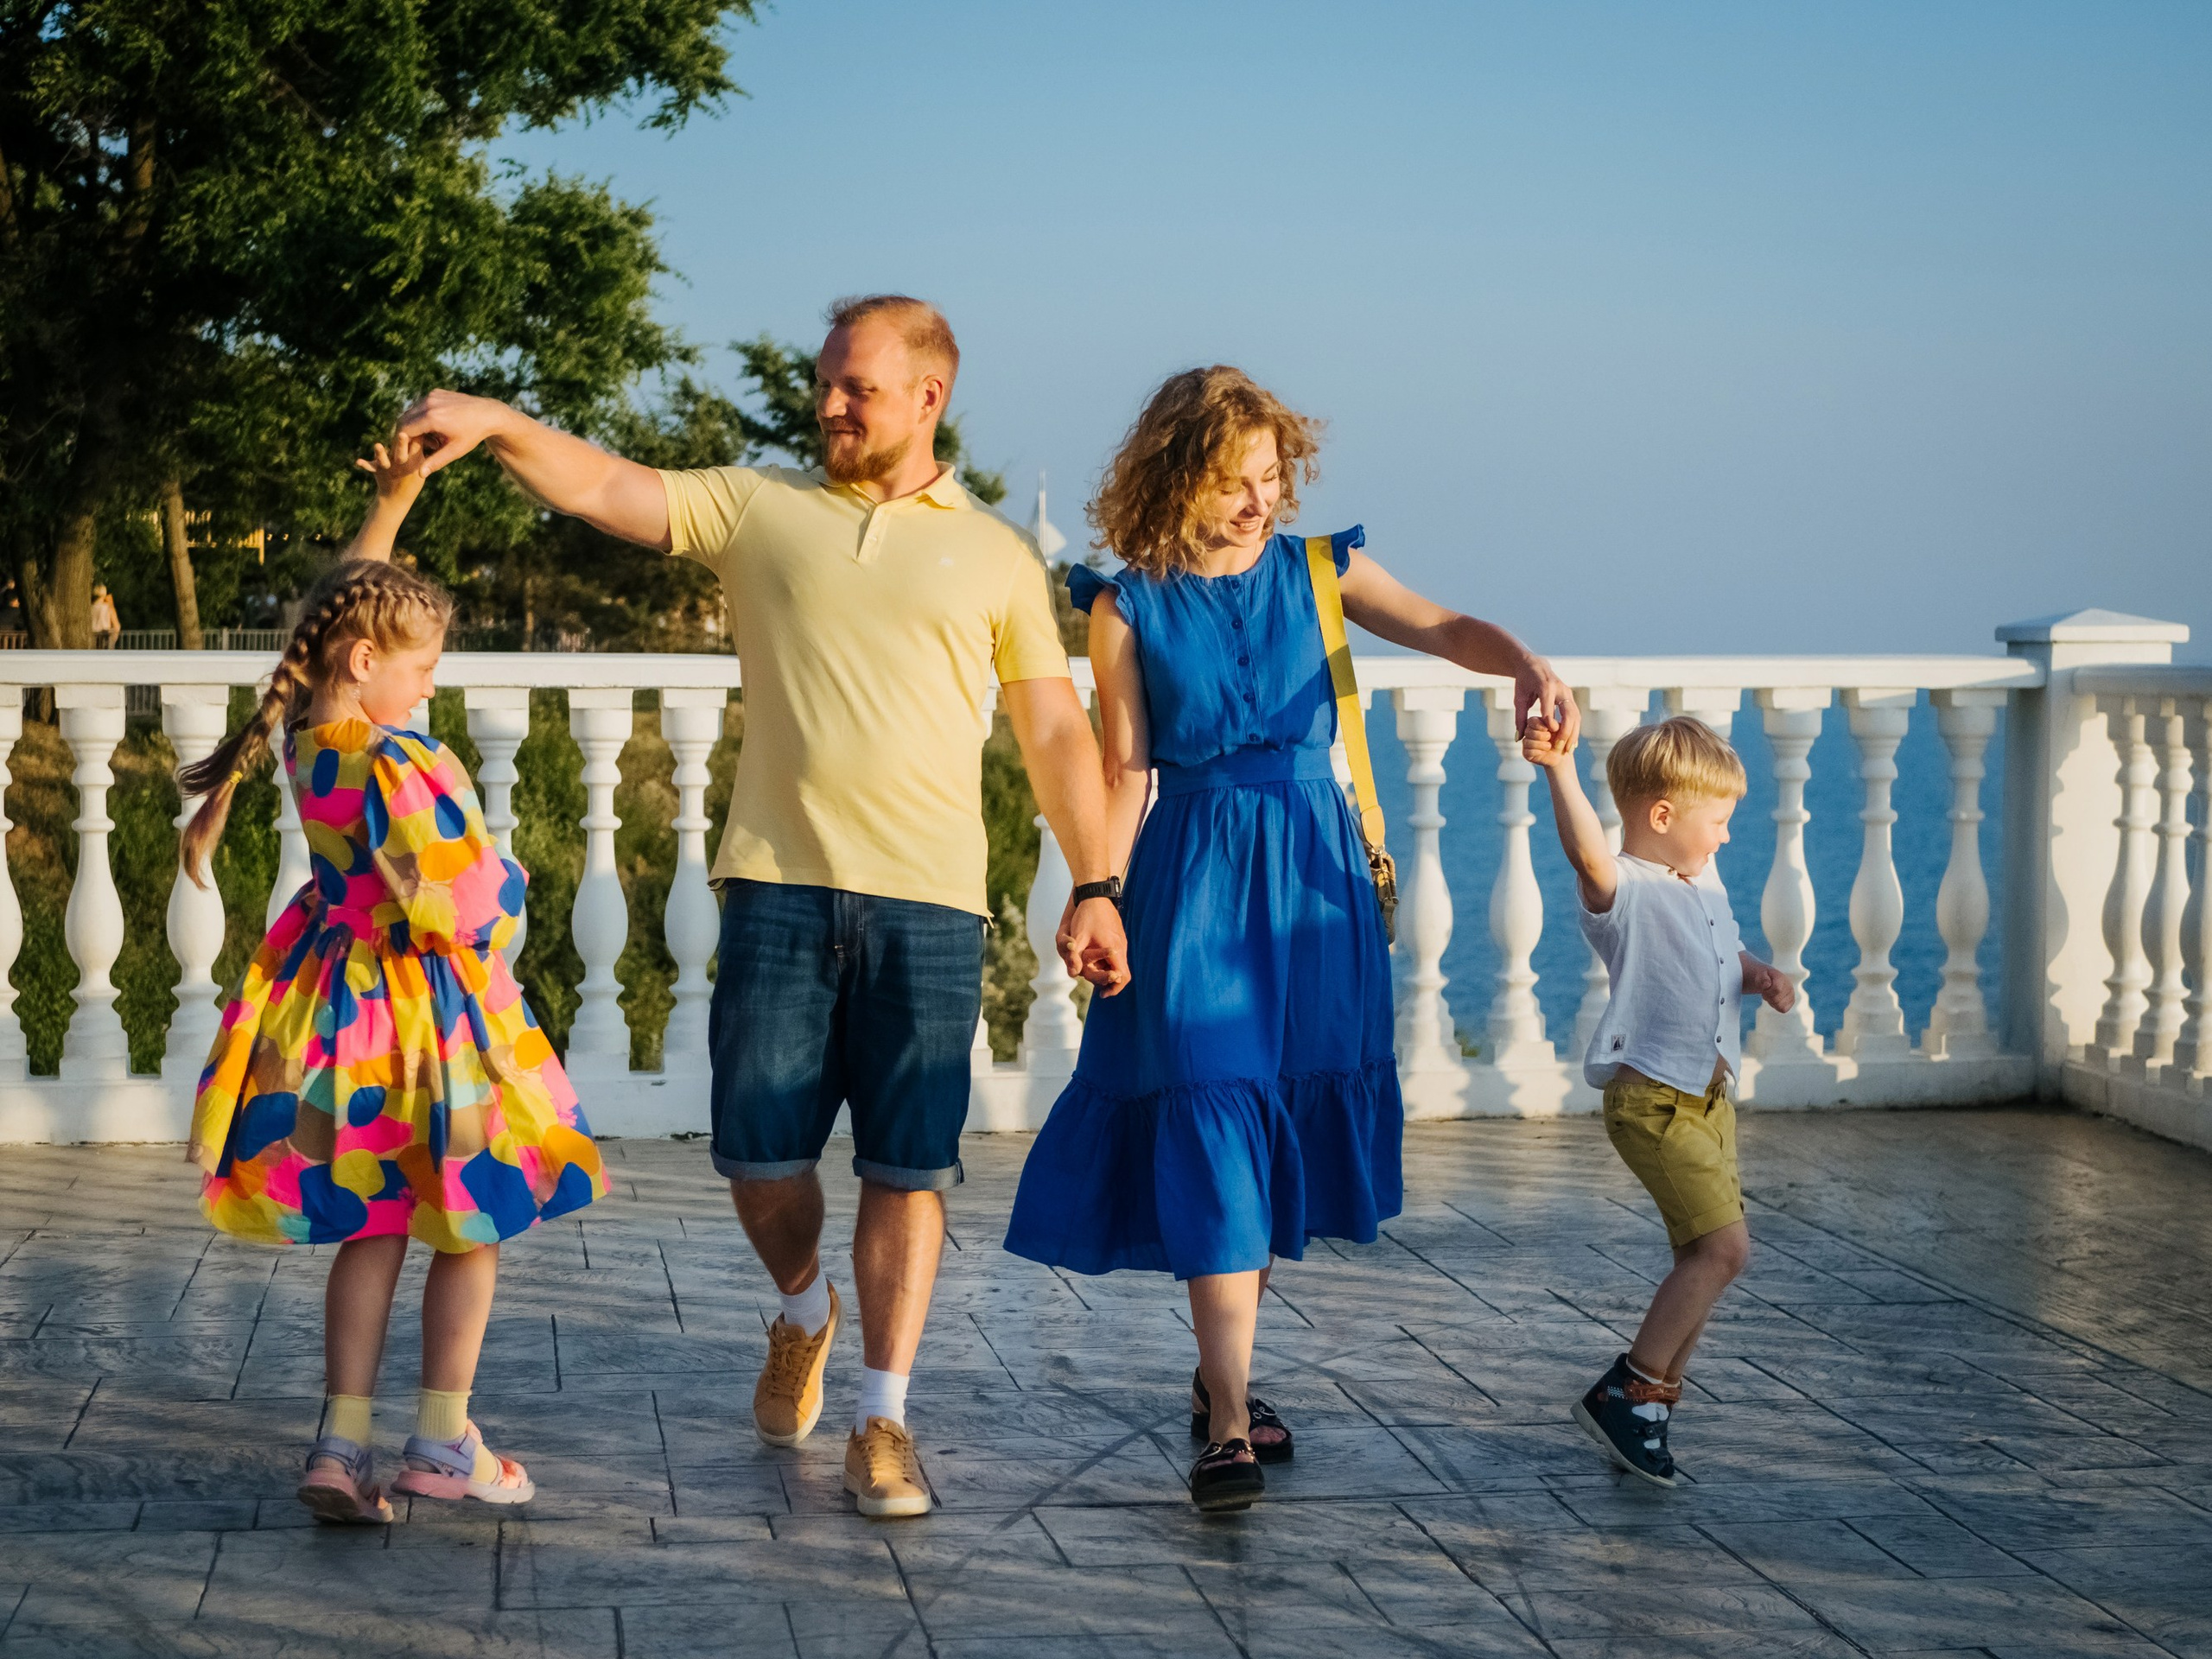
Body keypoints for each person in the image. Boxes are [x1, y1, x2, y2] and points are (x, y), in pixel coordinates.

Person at [391, 295, 1128, 1520]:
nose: (831, 405)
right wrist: (496, 420)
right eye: (826, 382)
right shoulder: (760, 509)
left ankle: (883, 1416)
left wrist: (1096, 881)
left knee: (910, 1169)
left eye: (859, 388)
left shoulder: (996, 556)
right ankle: (803, 1313)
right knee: (758, 1154)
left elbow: (1054, 727)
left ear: (928, 398)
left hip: (933, 905)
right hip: (777, 885)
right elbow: (605, 488)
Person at [1002, 366, 1580, 1511]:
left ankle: (1228, 1374)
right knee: (1215, 1115)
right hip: (1195, 885)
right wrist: (1096, 888)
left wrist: (1526, 664)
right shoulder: (1128, 605)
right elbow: (1125, 768)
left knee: (1264, 1136)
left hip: (1315, 886)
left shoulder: (1323, 571)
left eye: (1273, 478)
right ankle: (1226, 1417)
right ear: (1177, 476)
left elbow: (1446, 624)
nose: (1260, 502)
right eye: (1235, 481)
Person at [183, 439, 605, 1523]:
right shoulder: (399, 760)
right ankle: (438, 1442)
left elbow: (332, 616)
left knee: (373, 1223)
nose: (428, 689)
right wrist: (507, 880)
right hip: (425, 1016)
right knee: (470, 1221)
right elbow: (460, 907)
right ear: (367, 661)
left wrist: (393, 506)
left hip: (336, 1017)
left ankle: (337, 1442)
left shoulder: (306, 739)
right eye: (421, 671)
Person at [1522, 713, 1795, 1487]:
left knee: (1700, 1258)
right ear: (1664, 817)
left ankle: (1650, 1406)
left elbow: (1713, 954)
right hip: (1654, 1102)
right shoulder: (1623, 890)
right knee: (1726, 1251)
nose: (1727, 838)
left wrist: (1757, 972)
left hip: (1710, 1102)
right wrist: (1559, 770)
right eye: (1719, 821)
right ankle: (1630, 1391)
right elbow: (1584, 847)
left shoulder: (1699, 880)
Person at [90, 583, 119, 647]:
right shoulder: (109, 607)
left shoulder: (90, 607)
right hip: (105, 636)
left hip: (91, 636)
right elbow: (117, 626)